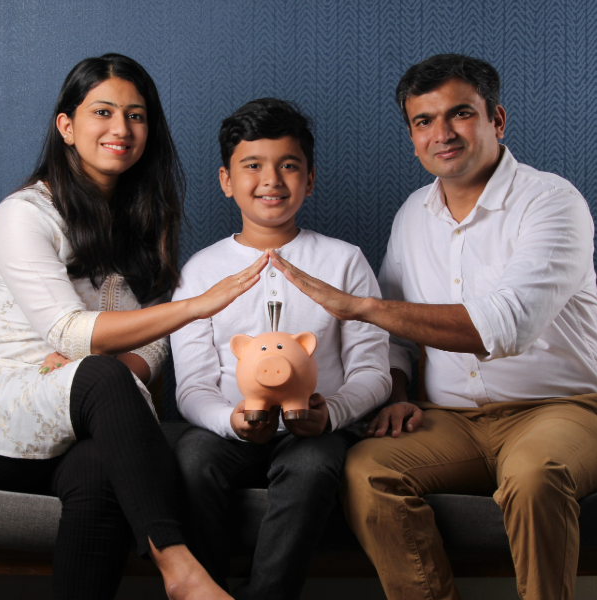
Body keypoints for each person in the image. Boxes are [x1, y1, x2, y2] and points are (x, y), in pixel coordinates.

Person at [268, 54, 597, 600]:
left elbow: (505, 326)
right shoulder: (413, 214)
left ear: (496, 120)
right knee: (365, 471)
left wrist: (360, 307)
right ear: (412, 136)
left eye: (460, 114)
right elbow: (398, 335)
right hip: (451, 422)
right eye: (423, 121)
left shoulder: (552, 202)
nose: (442, 134)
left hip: (562, 410)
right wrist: (401, 393)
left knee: (534, 475)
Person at [0, 53, 266, 600]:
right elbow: (69, 331)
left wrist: (115, 364)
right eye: (103, 112)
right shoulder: (23, 214)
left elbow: (153, 341)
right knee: (100, 377)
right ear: (67, 125)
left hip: (81, 427)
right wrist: (196, 306)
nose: (122, 129)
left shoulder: (144, 218)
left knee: (100, 474)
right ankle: (181, 569)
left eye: (137, 116)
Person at [169, 98, 392, 600]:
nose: (271, 180)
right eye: (253, 166)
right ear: (227, 180)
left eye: (288, 166)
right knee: (191, 461)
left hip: (313, 428)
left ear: (309, 179)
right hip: (226, 427)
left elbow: (373, 371)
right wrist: (230, 421)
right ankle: (208, 591)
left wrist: (330, 413)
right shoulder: (201, 273)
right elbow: (193, 385)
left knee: (313, 467)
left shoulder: (344, 262)